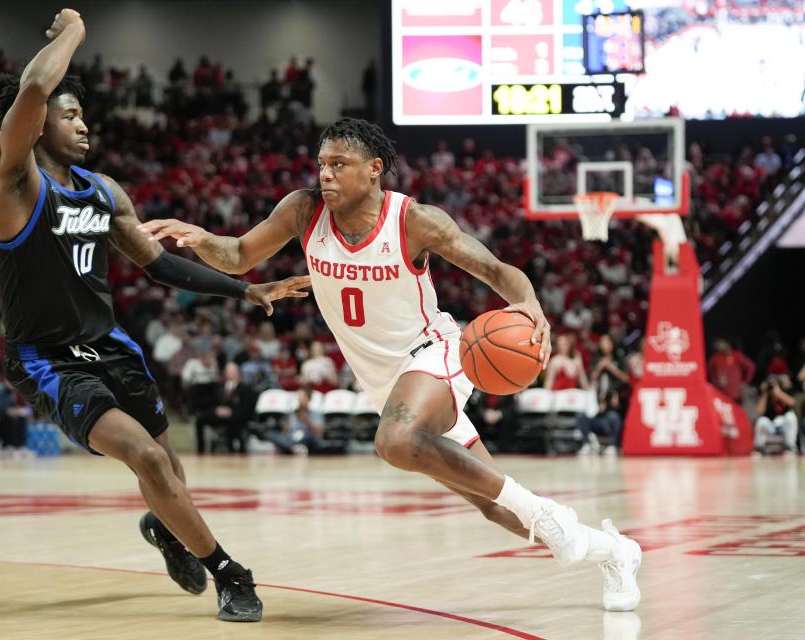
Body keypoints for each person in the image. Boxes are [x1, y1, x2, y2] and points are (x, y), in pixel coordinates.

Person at [140, 117, 643, 612]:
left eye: (340, 164)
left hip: (434, 351)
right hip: (384, 382)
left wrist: (530, 302)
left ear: (375, 168)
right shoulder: (302, 211)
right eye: (321, 164)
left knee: (394, 441)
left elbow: (492, 268)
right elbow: (239, 255)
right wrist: (200, 238)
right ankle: (615, 553)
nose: (326, 175)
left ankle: (550, 515)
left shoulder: (415, 220)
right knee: (495, 506)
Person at [0, 9, 308, 622]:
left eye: (83, 115)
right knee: (152, 460)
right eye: (70, 114)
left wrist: (245, 291)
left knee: (171, 475)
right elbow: (31, 89)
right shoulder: (14, 184)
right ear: (40, 123)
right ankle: (231, 575)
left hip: (109, 346)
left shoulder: (103, 192)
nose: (85, 125)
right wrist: (75, 32)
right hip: (46, 359)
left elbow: (159, 266)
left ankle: (166, 530)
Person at [754, 374, 798, 454]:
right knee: (761, 420)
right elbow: (759, 411)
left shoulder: (783, 390)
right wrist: (765, 393)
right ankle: (759, 448)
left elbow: (792, 402)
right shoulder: (765, 394)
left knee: (791, 416)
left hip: (783, 424)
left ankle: (790, 446)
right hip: (771, 426)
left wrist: (778, 392)